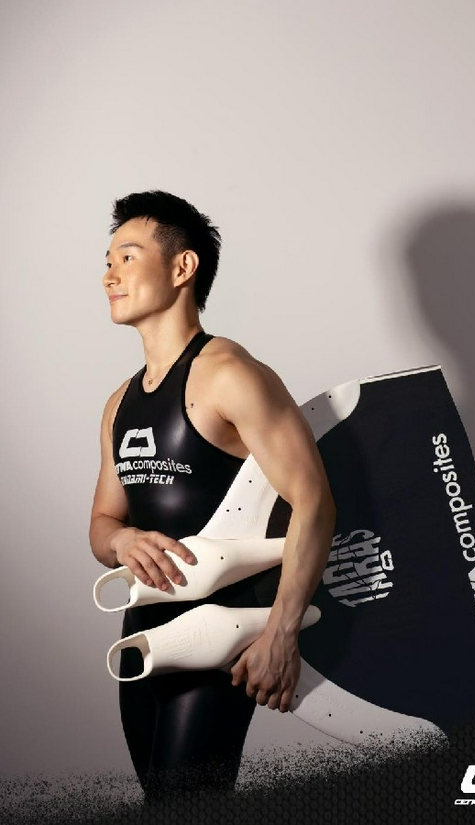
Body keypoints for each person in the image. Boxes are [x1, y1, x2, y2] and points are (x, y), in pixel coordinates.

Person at [89, 190, 336, 802]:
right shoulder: (119, 403)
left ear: (182, 267)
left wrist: (281, 633)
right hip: (143, 638)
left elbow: (314, 502)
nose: (109, 275)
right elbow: (102, 522)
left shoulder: (230, 373)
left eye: (127, 257)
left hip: (221, 638)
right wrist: (122, 540)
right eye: (107, 262)